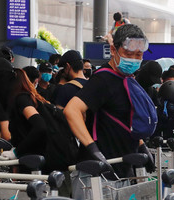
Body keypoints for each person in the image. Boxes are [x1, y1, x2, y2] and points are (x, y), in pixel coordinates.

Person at [64, 23, 155, 178]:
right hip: (97, 173)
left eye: (138, 55)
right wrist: (93, 150)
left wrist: (141, 145)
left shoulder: (127, 80)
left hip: (122, 167)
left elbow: (124, 119)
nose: (134, 59)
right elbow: (72, 110)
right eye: (128, 54)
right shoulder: (103, 79)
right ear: (113, 50)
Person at [0, 58, 48, 162]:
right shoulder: (17, 99)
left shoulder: (21, 99)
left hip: (38, 162)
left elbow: (40, 126)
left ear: (1, 79)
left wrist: (17, 152)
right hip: (33, 161)